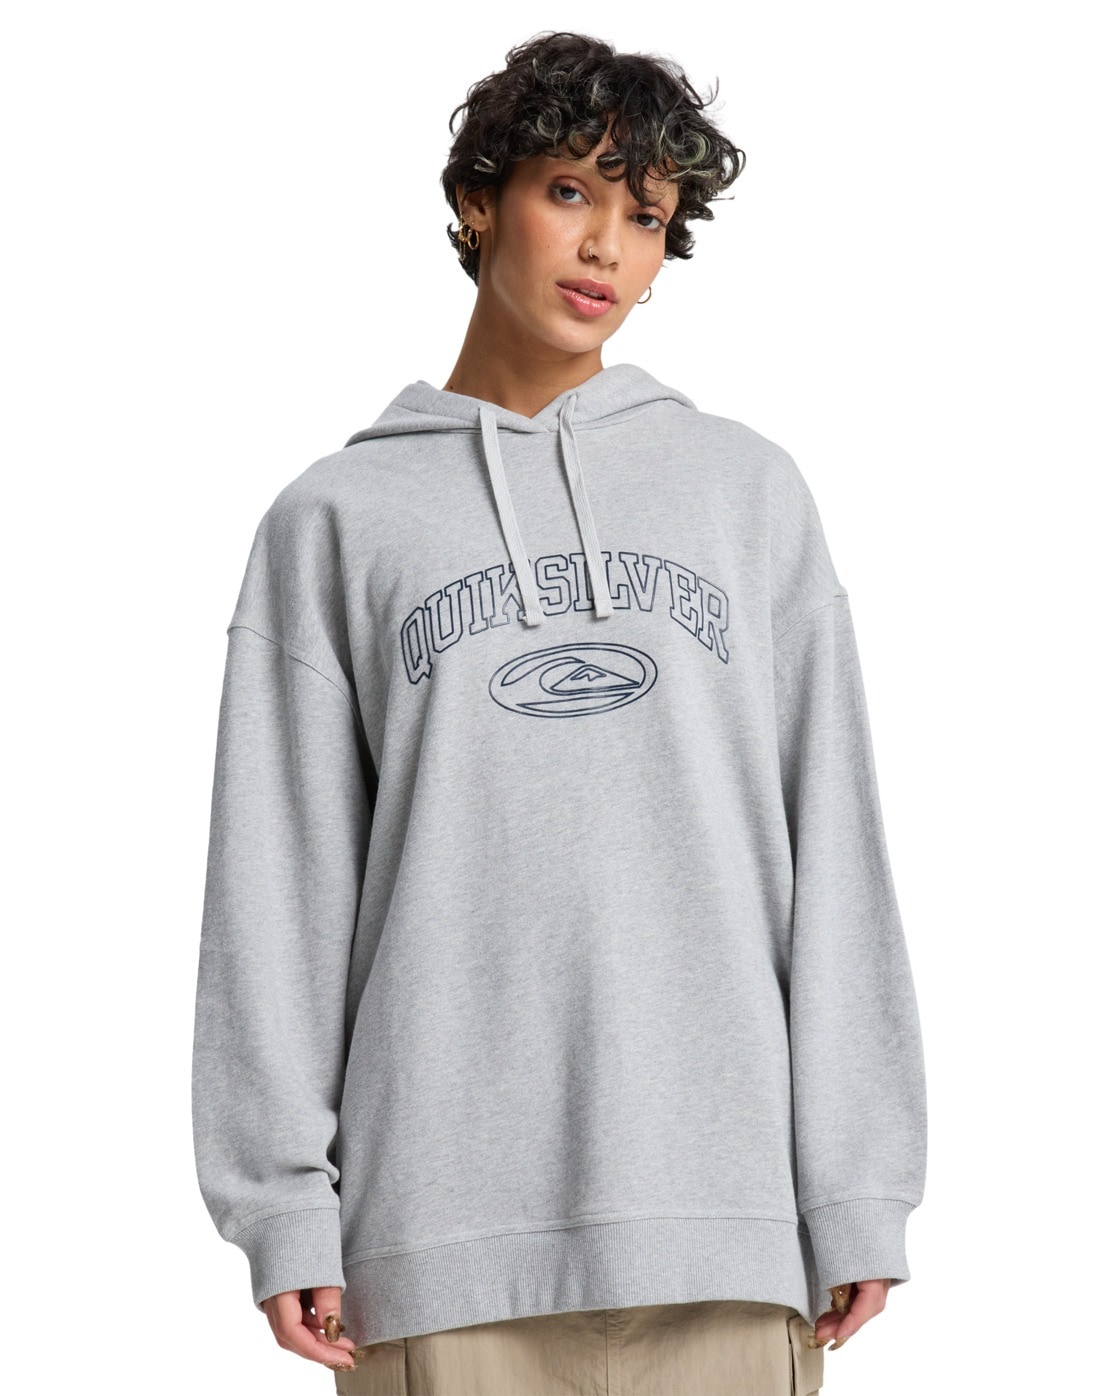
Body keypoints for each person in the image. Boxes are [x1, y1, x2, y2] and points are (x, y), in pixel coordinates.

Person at [191, 29, 928, 1396]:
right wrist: (281, 1201)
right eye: (571, 192)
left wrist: (859, 1184)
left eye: (645, 217)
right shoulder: (334, 521)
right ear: (480, 201)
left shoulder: (745, 494)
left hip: (727, 1232)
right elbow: (275, 888)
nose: (604, 249)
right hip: (436, 1249)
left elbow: (836, 848)